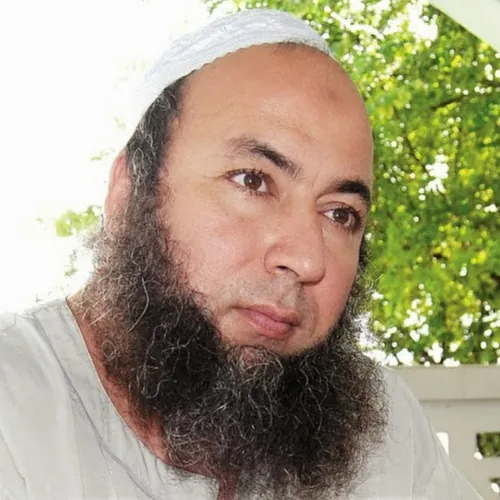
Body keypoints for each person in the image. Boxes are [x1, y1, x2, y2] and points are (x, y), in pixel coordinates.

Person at [0, 8, 481, 500]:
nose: (308, 259)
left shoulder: (388, 438)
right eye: (253, 181)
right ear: (129, 192)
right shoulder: (13, 409)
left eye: (340, 214)